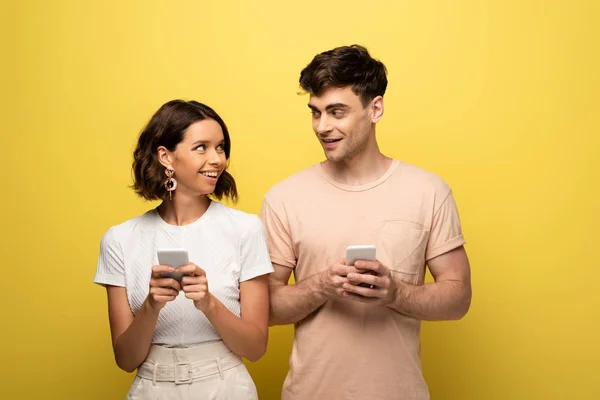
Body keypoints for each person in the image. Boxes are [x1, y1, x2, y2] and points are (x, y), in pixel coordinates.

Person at [260, 45, 472, 400]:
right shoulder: (283, 198)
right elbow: (262, 308)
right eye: (315, 113)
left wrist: (395, 293)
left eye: (337, 112)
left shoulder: (428, 191)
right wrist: (321, 287)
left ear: (375, 109)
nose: (322, 127)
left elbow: (459, 296)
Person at [94, 100, 273, 399]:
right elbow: (125, 360)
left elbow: (255, 348)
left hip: (226, 387)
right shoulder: (120, 239)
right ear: (166, 156)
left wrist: (208, 302)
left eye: (221, 147)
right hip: (151, 389)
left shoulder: (245, 229)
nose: (217, 159)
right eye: (201, 147)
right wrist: (152, 305)